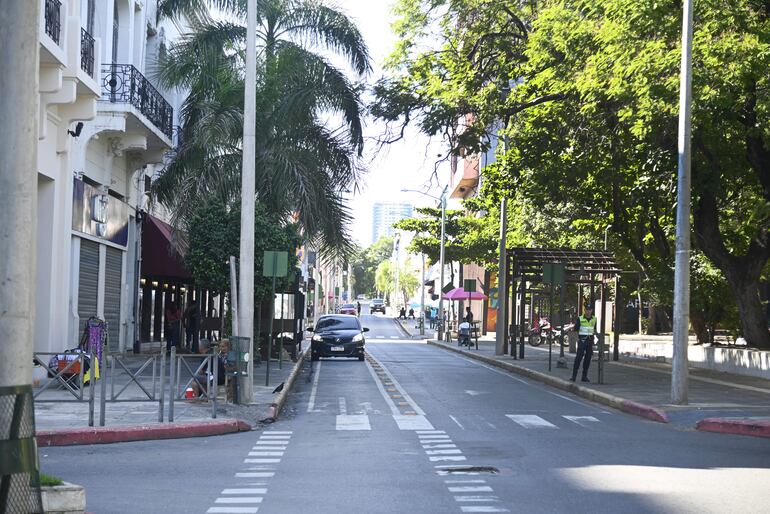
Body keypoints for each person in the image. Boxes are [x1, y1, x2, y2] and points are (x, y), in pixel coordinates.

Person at [571, 304, 597, 382]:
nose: (588, 311)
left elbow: (594, 329)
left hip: (590, 341)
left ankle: (584, 376)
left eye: (589, 310)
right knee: (578, 358)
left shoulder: (594, 319)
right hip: (582, 341)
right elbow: (575, 330)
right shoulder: (580, 318)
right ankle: (574, 376)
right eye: (587, 310)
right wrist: (577, 340)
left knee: (588, 359)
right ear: (584, 310)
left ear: (591, 310)